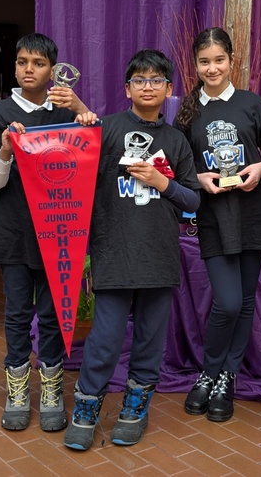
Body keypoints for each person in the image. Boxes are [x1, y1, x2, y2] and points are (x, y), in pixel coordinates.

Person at [61, 49, 201, 451]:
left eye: (157, 80)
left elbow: (193, 201)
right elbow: (71, 173)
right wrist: (81, 124)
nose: (148, 87)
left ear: (169, 89)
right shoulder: (105, 129)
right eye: (140, 80)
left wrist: (161, 182)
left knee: (149, 341)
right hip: (114, 253)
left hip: (158, 257)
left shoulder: (176, 141)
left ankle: (134, 411)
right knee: (104, 340)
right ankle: (86, 410)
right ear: (127, 88)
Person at [0, 32, 95, 432]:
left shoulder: (66, 111)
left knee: (52, 314)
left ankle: (51, 390)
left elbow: (91, 161)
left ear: (53, 70)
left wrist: (84, 113)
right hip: (14, 232)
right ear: (15, 67)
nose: (29, 69)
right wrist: (6, 150)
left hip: (59, 233)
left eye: (38, 63)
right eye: (22, 62)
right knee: (16, 314)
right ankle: (17, 391)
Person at [173, 27, 261, 423]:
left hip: (253, 210)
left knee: (246, 301)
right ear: (195, 65)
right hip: (214, 215)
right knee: (228, 301)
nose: (212, 68)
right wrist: (198, 178)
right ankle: (208, 371)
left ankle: (226, 377)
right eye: (204, 61)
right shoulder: (187, 111)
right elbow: (178, 166)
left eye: (219, 60)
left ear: (232, 61)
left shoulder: (252, 103)